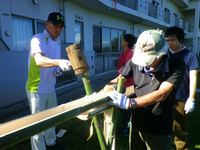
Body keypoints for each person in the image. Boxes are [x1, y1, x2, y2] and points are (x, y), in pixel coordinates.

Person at [101, 29, 186, 149]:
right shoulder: (136, 61)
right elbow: (119, 79)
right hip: (137, 121)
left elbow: (162, 94)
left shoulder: (176, 65)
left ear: (161, 53)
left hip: (159, 125)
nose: (145, 64)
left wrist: (130, 102)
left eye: (149, 60)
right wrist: (102, 91)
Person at [26, 12, 71, 150]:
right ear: (47, 24)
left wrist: (58, 70)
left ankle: (51, 142)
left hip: (50, 87)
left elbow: (53, 64)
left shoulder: (57, 42)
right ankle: (39, 148)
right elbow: (39, 60)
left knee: (52, 117)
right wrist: (59, 62)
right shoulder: (38, 39)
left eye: (61, 27)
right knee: (38, 123)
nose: (59, 29)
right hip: (37, 88)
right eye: (56, 25)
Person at [165, 26, 199, 150]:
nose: (170, 43)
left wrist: (191, 98)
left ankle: (182, 147)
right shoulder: (165, 54)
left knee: (179, 126)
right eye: (167, 40)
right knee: (164, 124)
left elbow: (193, 77)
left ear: (181, 40)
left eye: (173, 40)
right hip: (164, 95)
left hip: (180, 95)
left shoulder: (190, 55)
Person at [118, 34, 137, 136]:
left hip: (129, 85)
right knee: (123, 106)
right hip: (123, 83)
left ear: (126, 42)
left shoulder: (130, 53)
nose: (121, 41)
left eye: (123, 40)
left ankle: (128, 127)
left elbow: (127, 72)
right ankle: (126, 124)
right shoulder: (124, 52)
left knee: (126, 106)